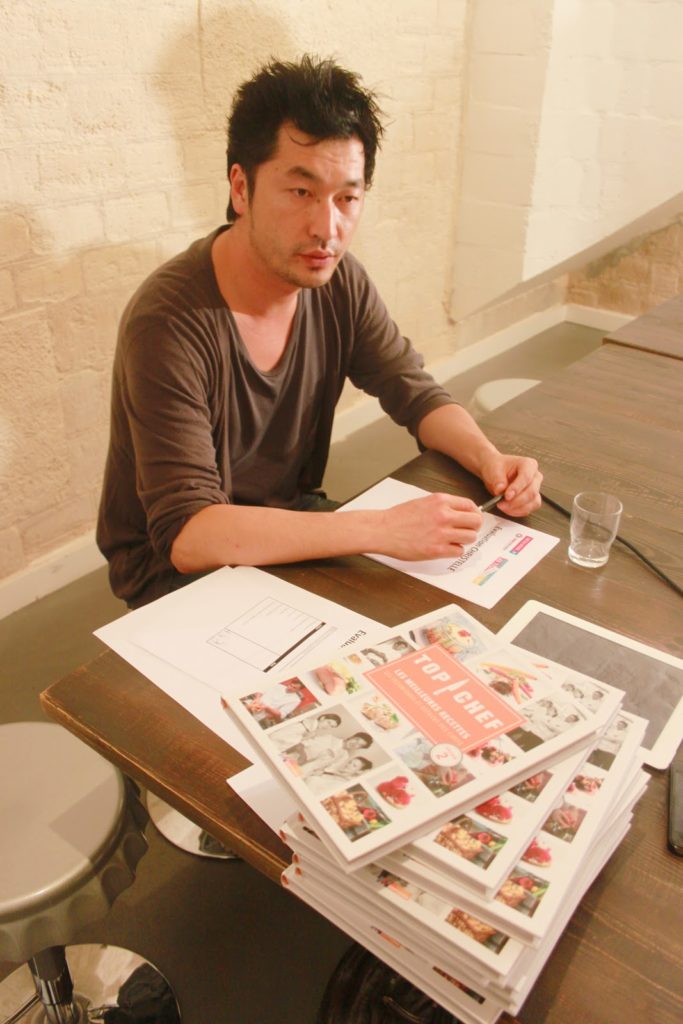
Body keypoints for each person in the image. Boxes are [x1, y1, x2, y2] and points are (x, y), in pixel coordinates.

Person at [97, 55, 543, 609]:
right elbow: (190, 535)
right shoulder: (168, 322)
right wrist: (382, 529)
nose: (327, 228)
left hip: (291, 521)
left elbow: (414, 390)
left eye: (346, 198)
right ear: (241, 187)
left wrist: (489, 459)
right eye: (300, 192)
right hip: (174, 571)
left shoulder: (339, 282)